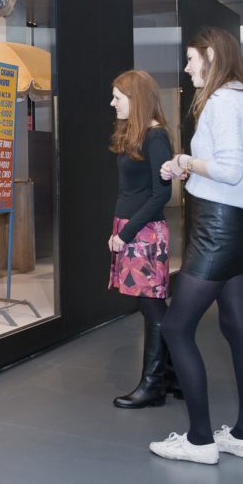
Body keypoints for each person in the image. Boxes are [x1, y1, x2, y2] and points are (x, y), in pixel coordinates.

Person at [149, 27, 243, 465]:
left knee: (177, 327)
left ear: (211, 55)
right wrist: (192, 171)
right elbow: (234, 170)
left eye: (190, 59)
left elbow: (231, 170)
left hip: (217, 229)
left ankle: (200, 440)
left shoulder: (221, 102)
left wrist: (184, 162)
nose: (186, 67)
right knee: (238, 329)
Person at [107, 70, 174, 409]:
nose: (112, 102)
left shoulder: (156, 137)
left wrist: (127, 232)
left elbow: (161, 194)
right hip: (132, 228)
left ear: (137, 100)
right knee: (154, 307)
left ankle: (153, 385)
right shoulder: (134, 134)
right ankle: (171, 375)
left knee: (152, 309)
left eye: (118, 97)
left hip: (144, 233)